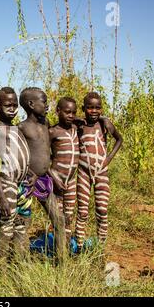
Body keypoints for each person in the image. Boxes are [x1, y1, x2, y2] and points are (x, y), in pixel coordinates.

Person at [18, 87, 67, 262]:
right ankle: (21, 263)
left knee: (59, 219)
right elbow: (19, 156)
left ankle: (62, 261)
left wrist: (52, 174)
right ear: (31, 104)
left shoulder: (45, 123)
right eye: (44, 101)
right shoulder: (22, 128)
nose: (47, 105)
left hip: (44, 179)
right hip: (28, 181)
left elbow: (47, 153)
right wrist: (32, 174)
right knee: (23, 223)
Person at [0, 87, 33, 259]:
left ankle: (19, 265)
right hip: (8, 183)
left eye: (15, 105)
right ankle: (1, 268)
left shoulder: (17, 129)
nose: (12, 109)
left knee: (21, 226)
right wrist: (1, 197)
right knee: (6, 227)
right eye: (8, 105)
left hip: (23, 185)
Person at [75, 92, 122, 251]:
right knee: (82, 211)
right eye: (90, 108)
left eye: (97, 108)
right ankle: (79, 248)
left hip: (101, 172)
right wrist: (76, 120)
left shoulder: (104, 124)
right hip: (83, 173)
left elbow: (119, 139)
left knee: (102, 210)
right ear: (83, 108)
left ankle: (100, 248)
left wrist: (108, 158)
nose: (94, 111)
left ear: (101, 109)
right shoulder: (79, 126)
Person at [48, 97, 80, 241]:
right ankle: (57, 246)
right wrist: (53, 177)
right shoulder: (53, 132)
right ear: (58, 111)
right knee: (58, 216)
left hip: (71, 180)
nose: (71, 116)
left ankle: (66, 244)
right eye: (67, 112)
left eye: (74, 112)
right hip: (56, 181)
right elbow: (43, 158)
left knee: (69, 214)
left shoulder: (76, 128)